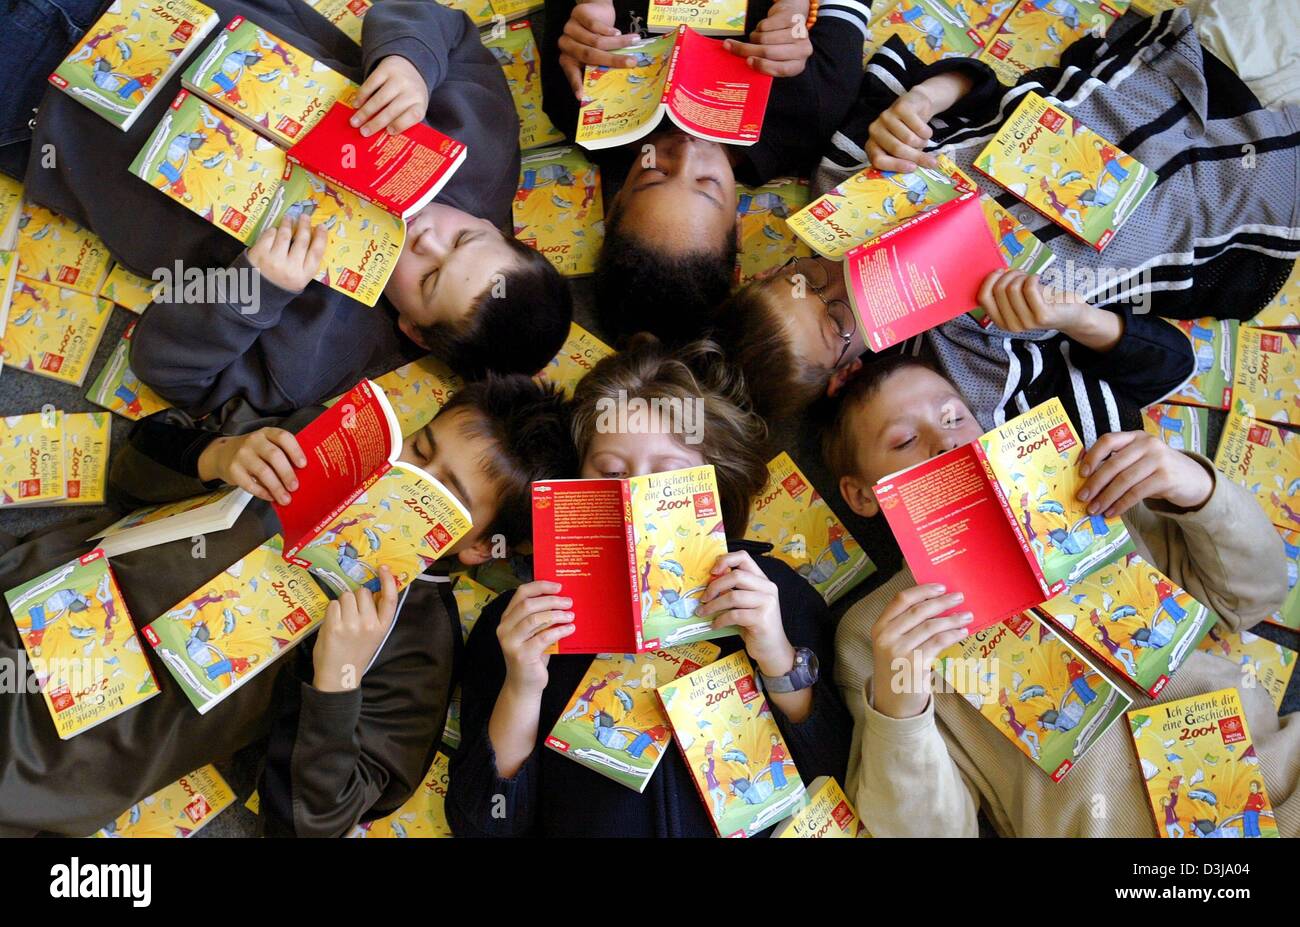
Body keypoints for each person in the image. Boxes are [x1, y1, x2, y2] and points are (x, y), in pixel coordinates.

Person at [0, 376, 577, 837]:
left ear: (479, 545)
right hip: (25, 592)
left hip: (47, 745)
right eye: (419, 449)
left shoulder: (418, 647)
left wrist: (337, 680)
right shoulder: (316, 447)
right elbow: (131, 470)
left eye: (441, 490)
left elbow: (306, 822)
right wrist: (217, 455)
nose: (406, 478)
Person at [4, 0, 571, 416]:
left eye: (430, 279)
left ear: (414, 331)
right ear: (494, 225)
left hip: (53, 113)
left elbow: (164, 368)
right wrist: (408, 67)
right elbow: (440, 25)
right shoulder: (482, 150)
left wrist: (252, 292)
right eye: (463, 239)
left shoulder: (320, 351)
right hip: (165, 13)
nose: (427, 240)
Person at [820, 355, 1299, 837]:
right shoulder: (873, 632)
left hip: (1275, 778)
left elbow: (1255, 597)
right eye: (905, 441)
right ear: (862, 495)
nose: (945, 441)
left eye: (953, 417)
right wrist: (900, 704)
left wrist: (1198, 491)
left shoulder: (1085, 492)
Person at [446, 339, 852, 836]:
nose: (634, 496)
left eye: (666, 475)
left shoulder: (772, 592)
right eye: (612, 472)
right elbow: (483, 825)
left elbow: (843, 776)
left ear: (712, 483)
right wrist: (522, 689)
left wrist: (778, 658)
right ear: (573, 483)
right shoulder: (518, 622)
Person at [537, 0, 869, 343]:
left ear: (617, 199)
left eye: (656, 174)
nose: (686, 152)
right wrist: (798, 8)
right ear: (738, 227)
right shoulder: (810, 110)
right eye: (706, 182)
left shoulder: (579, 100)